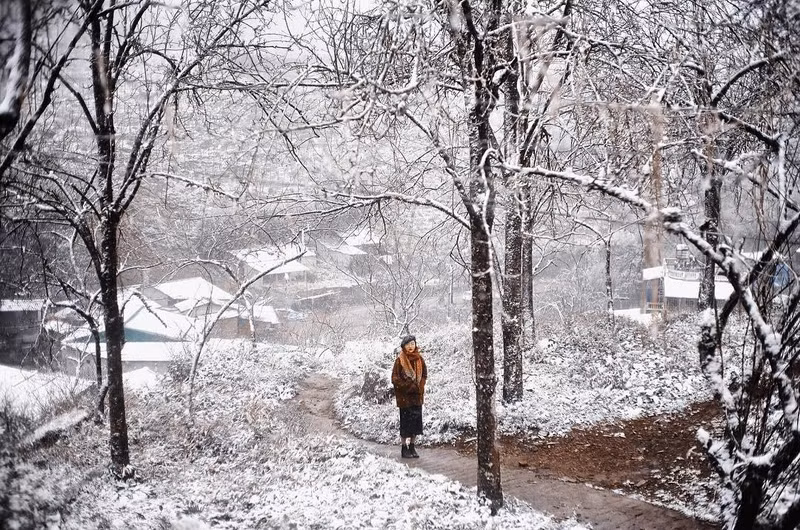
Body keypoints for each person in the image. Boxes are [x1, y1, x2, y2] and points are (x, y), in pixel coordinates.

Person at [391, 334, 427, 458]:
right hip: (405, 398)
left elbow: (424, 376)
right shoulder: (399, 360)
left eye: (412, 344)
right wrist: (407, 386)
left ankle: (412, 446)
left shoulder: (420, 359)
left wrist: (420, 386)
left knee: (416, 424)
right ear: (403, 346)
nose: (411, 346)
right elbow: (395, 379)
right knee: (405, 424)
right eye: (408, 344)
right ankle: (403, 448)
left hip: (416, 397)